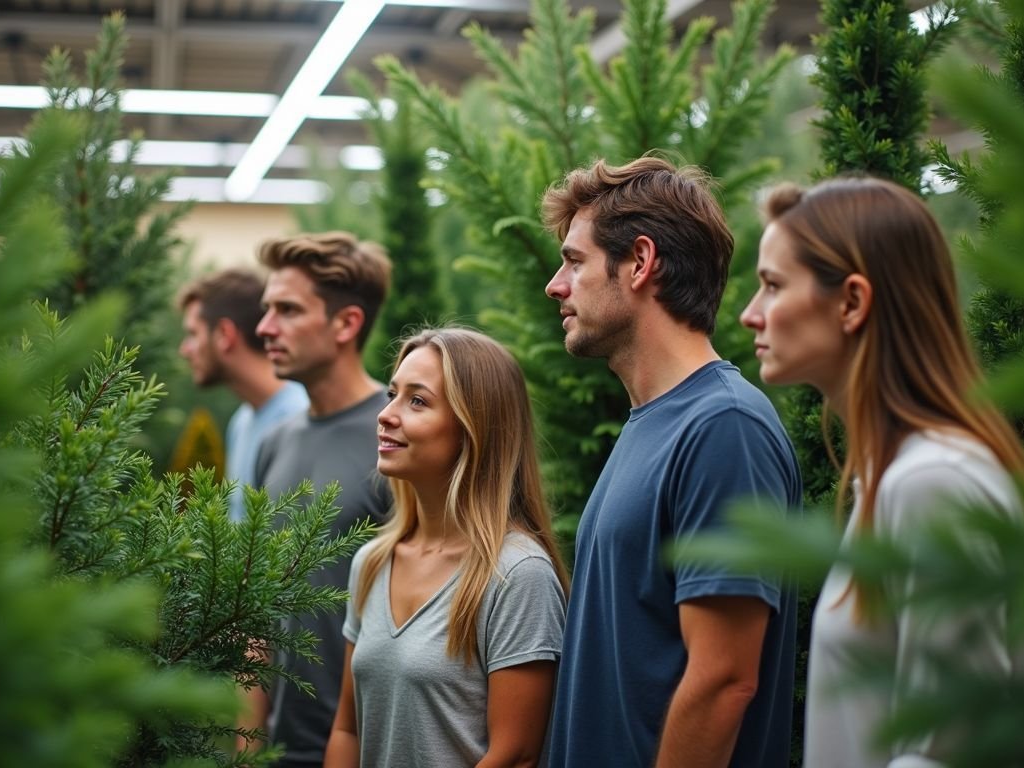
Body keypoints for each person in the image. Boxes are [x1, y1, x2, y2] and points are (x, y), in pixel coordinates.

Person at [738, 176, 1024, 767]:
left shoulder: (935, 482)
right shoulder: (900, 478)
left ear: (852, 302)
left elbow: (955, 751)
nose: (750, 314)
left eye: (773, 286)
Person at [542, 156, 802, 768]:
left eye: (575, 261)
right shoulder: (652, 423)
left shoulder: (723, 427)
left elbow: (723, 681)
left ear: (640, 262)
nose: (555, 284)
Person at [324, 328, 568, 768]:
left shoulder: (516, 575)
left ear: (474, 429)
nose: (386, 415)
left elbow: (515, 756)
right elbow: (348, 729)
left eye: (417, 401)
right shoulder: (372, 562)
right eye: (392, 394)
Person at [247, 232, 395, 768]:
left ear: (346, 323)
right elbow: (254, 614)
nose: (265, 328)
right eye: (267, 309)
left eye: (287, 310)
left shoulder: (399, 436)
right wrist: (247, 750)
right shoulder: (273, 443)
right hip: (283, 751)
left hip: (368, 749)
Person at [177, 268, 309, 522]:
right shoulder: (242, 421)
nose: (184, 349)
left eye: (193, 334)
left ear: (225, 335)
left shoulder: (299, 418)